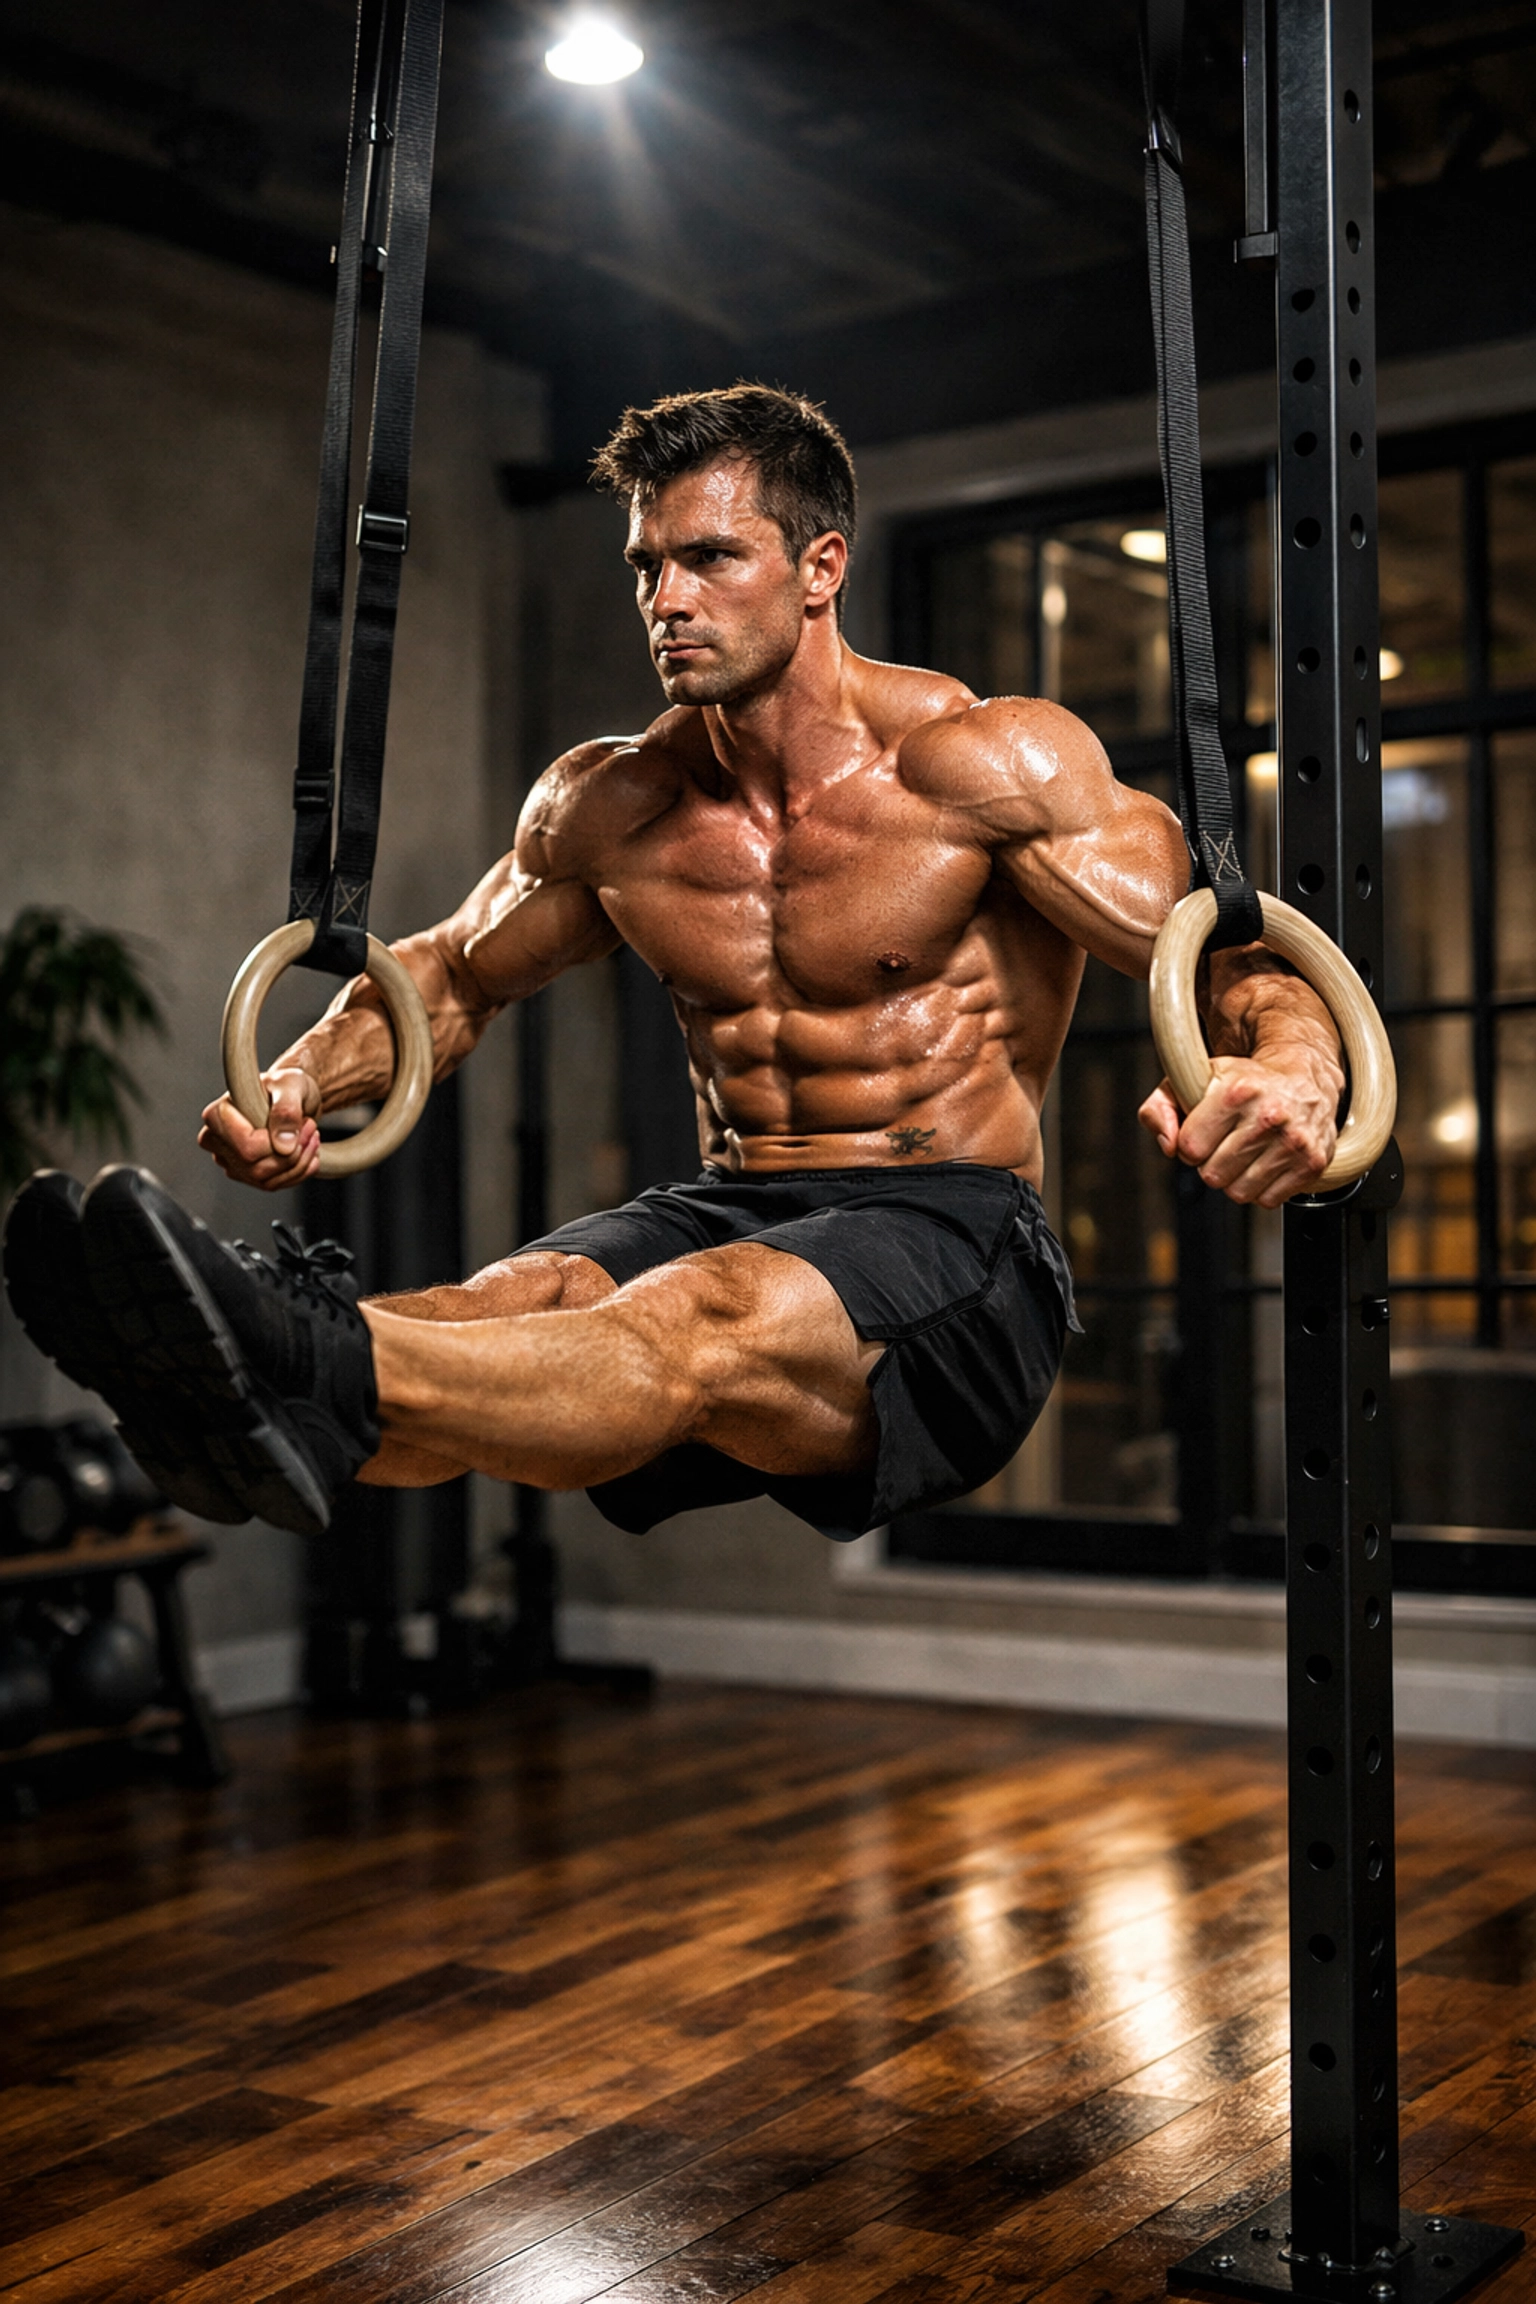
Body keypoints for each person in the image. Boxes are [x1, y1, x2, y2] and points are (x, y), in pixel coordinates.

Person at [3, 385, 1343, 1543]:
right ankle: (233, 1376)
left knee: (690, 1309)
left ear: (822, 566)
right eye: (648, 566)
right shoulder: (613, 807)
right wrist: (301, 1077)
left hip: (957, 1241)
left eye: (709, 558)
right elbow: (452, 976)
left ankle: (284, 1344)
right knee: (510, 1302)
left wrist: (1290, 1065)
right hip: (735, 1198)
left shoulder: (982, 768)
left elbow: (1226, 956)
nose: (668, 599)